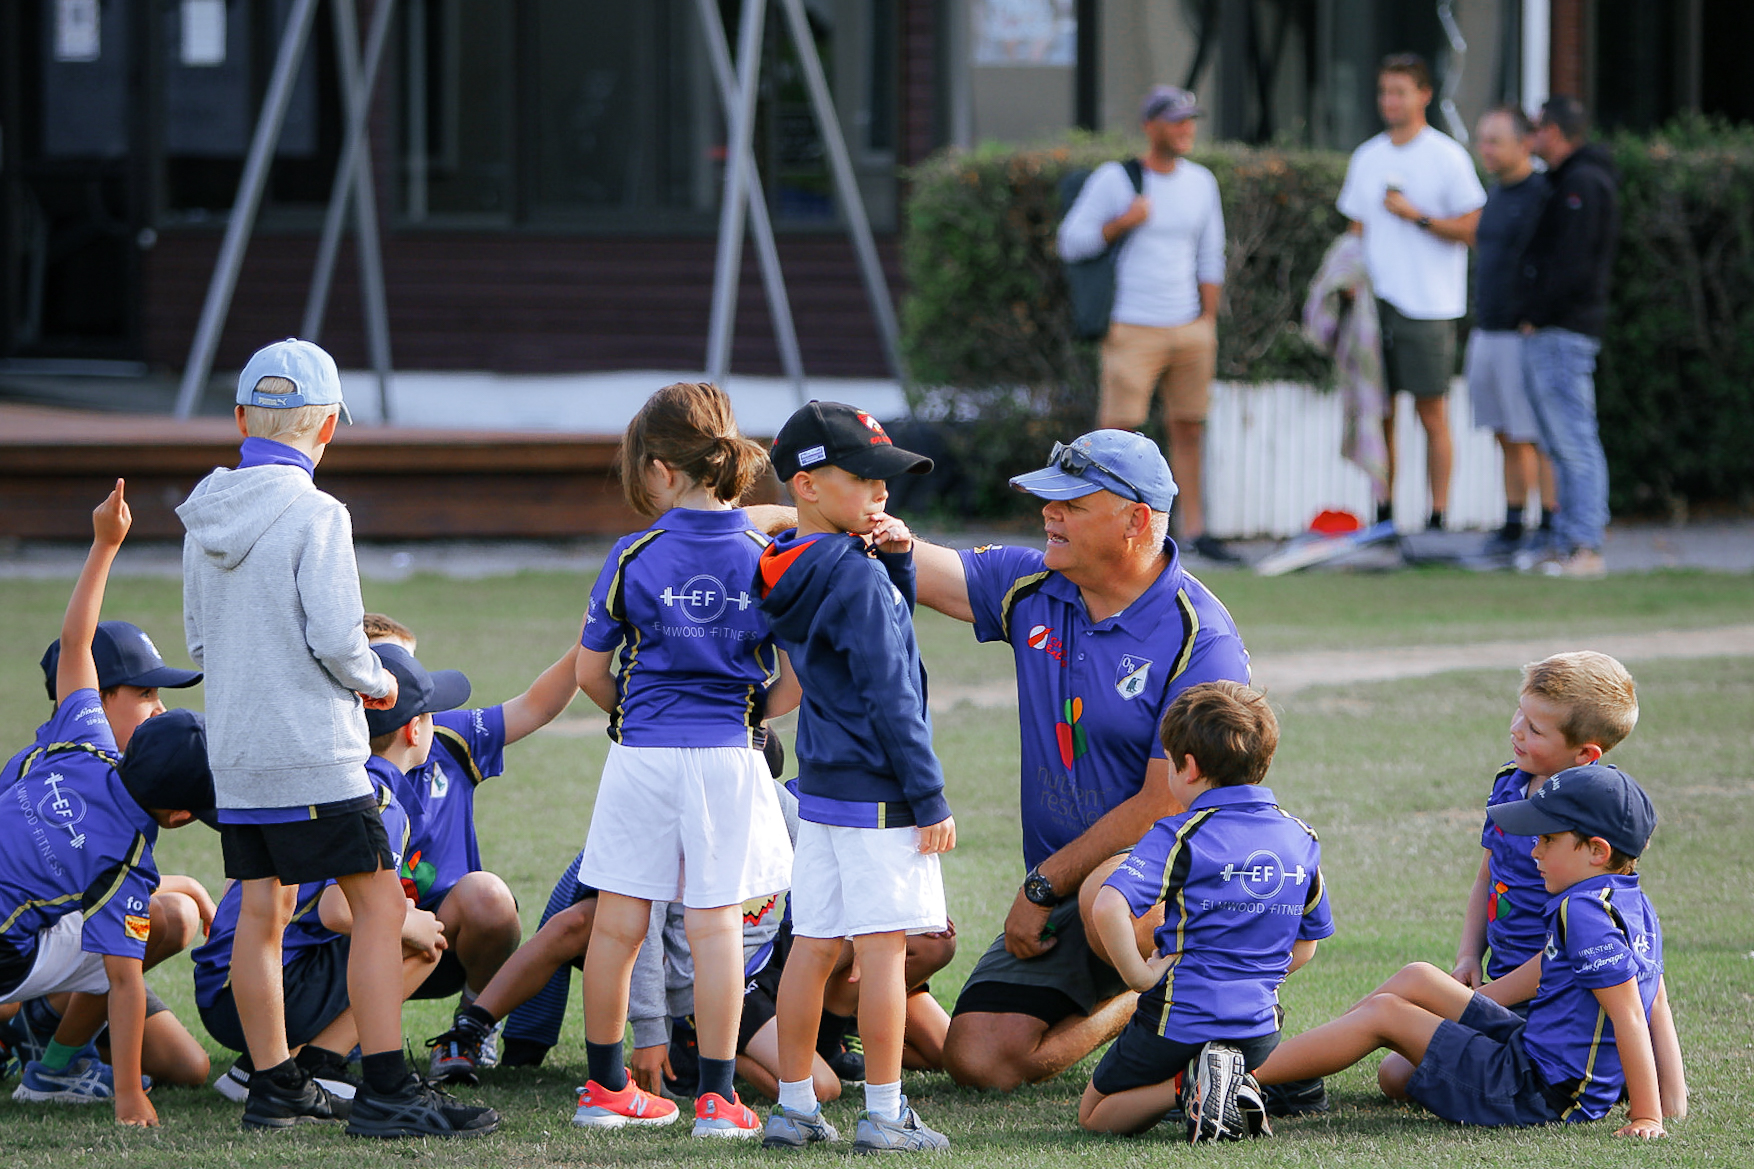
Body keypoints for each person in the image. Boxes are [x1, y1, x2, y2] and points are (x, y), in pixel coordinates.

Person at [178, 337, 496, 1138]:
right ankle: (389, 1090)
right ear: (327, 431)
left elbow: (200, 645)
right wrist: (379, 682)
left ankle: (275, 1082)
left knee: (262, 909)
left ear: (242, 417)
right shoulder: (320, 513)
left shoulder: (202, 515)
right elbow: (337, 638)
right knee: (381, 905)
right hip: (314, 752)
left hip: (238, 753)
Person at [889, 429, 1254, 1095]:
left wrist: (1042, 885)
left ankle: (1195, 973)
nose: (1048, 513)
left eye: (1072, 504)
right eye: (1047, 501)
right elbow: (900, 558)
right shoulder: (1033, 585)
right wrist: (786, 517)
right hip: (1066, 893)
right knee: (977, 1057)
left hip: (1163, 884)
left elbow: (1164, 805)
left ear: (1137, 520)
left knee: (1103, 890)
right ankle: (1145, 998)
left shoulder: (1203, 639)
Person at [568, 382, 797, 1138]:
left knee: (617, 924)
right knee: (718, 927)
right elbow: (795, 677)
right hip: (730, 760)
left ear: (661, 468)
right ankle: (718, 1101)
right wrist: (754, 711)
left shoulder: (633, 553)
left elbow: (590, 672)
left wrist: (631, 718)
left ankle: (605, 1089)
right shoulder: (768, 554)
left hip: (643, 757)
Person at [1253, 763, 1688, 1136]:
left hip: (1540, 1092)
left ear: (1597, 851)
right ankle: (1295, 1075)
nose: (1533, 850)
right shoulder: (1627, 899)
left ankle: (1238, 1077)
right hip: (1533, 1051)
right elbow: (1575, 973)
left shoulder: (1586, 912)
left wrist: (1649, 1113)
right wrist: (1465, 1006)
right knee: (1419, 979)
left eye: (1548, 840)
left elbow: (1632, 1010)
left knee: (1387, 1013)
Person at [756, 400, 955, 1153]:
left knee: (813, 943)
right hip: (881, 792)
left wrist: (897, 560)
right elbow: (893, 690)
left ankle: (797, 1106)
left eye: (885, 479)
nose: (881, 492)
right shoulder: (858, 578)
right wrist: (929, 795)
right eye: (864, 477)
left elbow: (859, 647)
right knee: (881, 955)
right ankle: (882, 1111)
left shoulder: (790, 562)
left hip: (825, 787)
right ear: (806, 484)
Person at [1, 483, 211, 1125]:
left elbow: (74, 645)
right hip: (13, 957)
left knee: (189, 1064)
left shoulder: (80, 739)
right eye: (148, 695)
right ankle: (51, 1068)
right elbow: (121, 979)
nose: (159, 708)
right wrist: (131, 1097)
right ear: (177, 815)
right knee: (153, 921)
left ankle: (41, 1033)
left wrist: (105, 544)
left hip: (32, 932)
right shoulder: (126, 862)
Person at [1081, 681, 1331, 1142]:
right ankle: (1233, 1081)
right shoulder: (1301, 837)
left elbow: (1108, 904)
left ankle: (1188, 1085)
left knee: (1095, 1114)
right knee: (1220, 1055)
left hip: (1177, 1017)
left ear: (1188, 768)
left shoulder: (1179, 835)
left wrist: (1139, 976)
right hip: (1258, 1028)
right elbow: (1306, 946)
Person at [359, 612, 582, 1084]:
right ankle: (338, 1038)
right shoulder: (333, 762)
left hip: (442, 938)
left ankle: (473, 1024)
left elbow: (537, 705)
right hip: (352, 941)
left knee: (490, 897)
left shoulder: (446, 735)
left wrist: (593, 638)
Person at [1057, 85, 1235, 563]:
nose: (1186, 129)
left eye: (1190, 120)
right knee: (1115, 435)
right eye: (1176, 121)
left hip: (1189, 327)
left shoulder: (1201, 182)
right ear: (1150, 126)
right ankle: (1099, 531)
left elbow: (1210, 253)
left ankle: (1196, 530)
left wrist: (1207, 318)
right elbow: (1072, 242)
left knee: (1189, 426)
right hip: (1132, 326)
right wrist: (1122, 222)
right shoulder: (1118, 179)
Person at [1337, 53, 1486, 531]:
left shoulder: (1446, 156)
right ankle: (1383, 517)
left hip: (1429, 303)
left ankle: (1438, 518)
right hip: (1375, 306)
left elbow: (1473, 228)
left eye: (1399, 92)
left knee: (1431, 412)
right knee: (1379, 414)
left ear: (1424, 94)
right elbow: (1355, 231)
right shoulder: (1367, 157)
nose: (1390, 102)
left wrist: (1417, 216)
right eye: (1384, 92)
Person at [1519, 96, 1621, 579]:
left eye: (1537, 129)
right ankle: (1567, 545)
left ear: (1555, 132)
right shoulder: (1572, 180)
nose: (1531, 138)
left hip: (1564, 330)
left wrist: (1537, 313)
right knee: (1560, 442)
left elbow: (1574, 265)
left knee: (1575, 439)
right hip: (1557, 328)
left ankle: (1586, 548)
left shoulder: (1582, 183)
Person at [1464, 105, 1558, 559]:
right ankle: (1514, 521)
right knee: (1503, 432)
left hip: (1521, 336)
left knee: (1532, 434)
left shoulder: (1542, 193)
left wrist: (1535, 315)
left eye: (1495, 141)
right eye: (1483, 140)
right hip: (1487, 330)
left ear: (1525, 143)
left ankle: (1551, 521)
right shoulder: (1495, 193)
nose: (1486, 149)